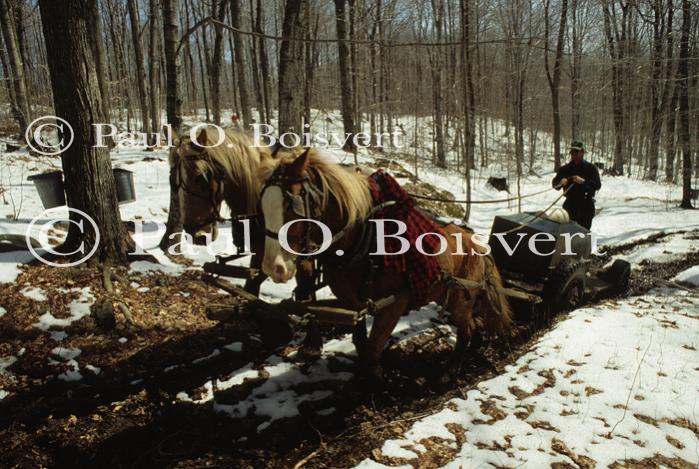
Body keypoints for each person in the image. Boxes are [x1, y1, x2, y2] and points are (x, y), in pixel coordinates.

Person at [552, 141, 601, 229]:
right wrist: (560, 182)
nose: (574, 155)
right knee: (568, 235)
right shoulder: (565, 169)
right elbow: (555, 185)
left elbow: (597, 185)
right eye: (572, 152)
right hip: (570, 207)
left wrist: (584, 182)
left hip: (586, 207)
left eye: (577, 152)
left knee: (583, 235)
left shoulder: (591, 168)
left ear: (582, 152)